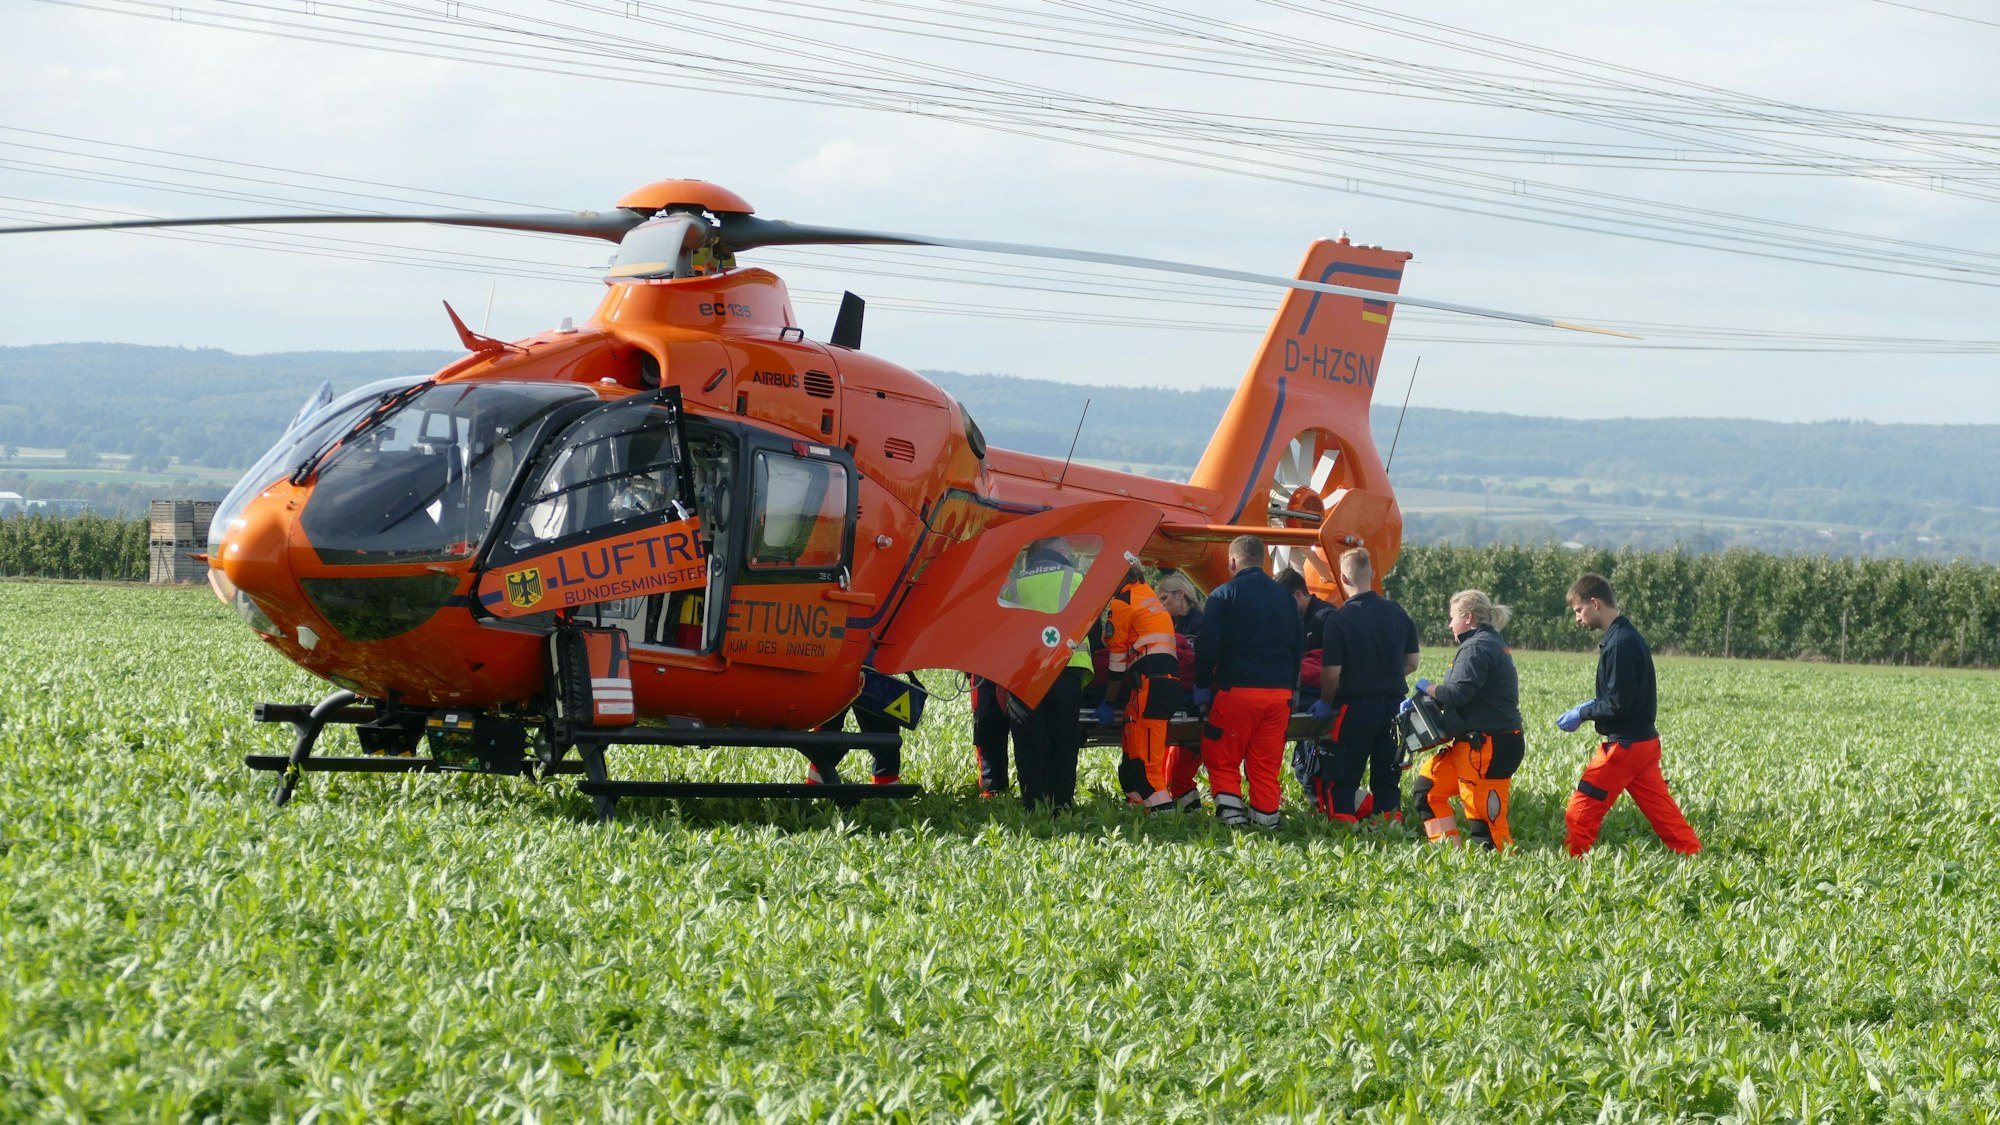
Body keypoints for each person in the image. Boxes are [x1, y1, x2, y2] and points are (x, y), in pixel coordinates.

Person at [1558, 573, 1702, 856]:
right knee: (1665, 814)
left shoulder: (1619, 644)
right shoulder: (1625, 635)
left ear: (1595, 603)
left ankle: (1571, 867)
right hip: (1644, 744)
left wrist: (1584, 712)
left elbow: (1617, 704)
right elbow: (1622, 695)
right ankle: (1692, 853)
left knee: (1580, 812)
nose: (1577, 618)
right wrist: (1594, 704)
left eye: (1579, 610)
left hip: (1625, 747)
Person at [1192, 535, 1303, 828]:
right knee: (1265, 764)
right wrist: (1290, 686)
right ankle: (1267, 822)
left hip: (1238, 691)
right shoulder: (1285, 597)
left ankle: (1233, 821)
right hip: (1279, 696)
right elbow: (1297, 647)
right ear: (1263, 560)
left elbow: (1207, 646)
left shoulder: (1222, 595)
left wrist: (1202, 685)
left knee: (1222, 756)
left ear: (1231, 562)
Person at [1309, 548, 1420, 822]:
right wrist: (1387, 678)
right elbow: (1413, 662)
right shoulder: (1397, 612)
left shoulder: (1339, 620)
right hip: (1394, 708)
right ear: (1371, 573)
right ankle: (1390, 826)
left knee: (1343, 775)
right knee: (1386, 776)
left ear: (1343, 579)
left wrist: (1325, 701)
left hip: (1355, 709)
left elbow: (1332, 673)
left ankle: (1344, 829)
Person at [1411, 589, 1524, 850]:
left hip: (1487, 746)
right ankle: (1449, 852)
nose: (1450, 624)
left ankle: (1504, 876)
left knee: (1486, 827)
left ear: (1468, 617)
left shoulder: (1477, 647)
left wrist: (1427, 688)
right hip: (1472, 745)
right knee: (1428, 791)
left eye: (1452, 618)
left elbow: (1459, 693)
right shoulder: (1487, 643)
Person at [1003, 537, 1095, 810]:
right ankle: (1062, 802)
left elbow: (1001, 632)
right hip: (1067, 667)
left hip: (1025, 672)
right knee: (1064, 739)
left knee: (1028, 740)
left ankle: (1033, 801)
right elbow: (1095, 626)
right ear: (1060, 550)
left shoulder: (1014, 586)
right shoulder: (1078, 579)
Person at [1093, 566, 1182, 812]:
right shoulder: (1148, 596)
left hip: (1150, 683)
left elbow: (1116, 661)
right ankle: (1137, 801)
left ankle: (1162, 811)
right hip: (1161, 681)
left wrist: (1109, 702)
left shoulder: (1123, 603)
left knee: (1146, 754)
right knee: (1134, 737)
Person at [1153, 570, 1210, 813]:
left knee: (1180, 774)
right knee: (1168, 774)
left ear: (1181, 594)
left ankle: (1193, 816)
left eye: (1164, 599)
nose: (1161, 605)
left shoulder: (1203, 623)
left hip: (1197, 704)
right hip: (1175, 700)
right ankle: (1188, 814)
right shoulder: (1168, 624)